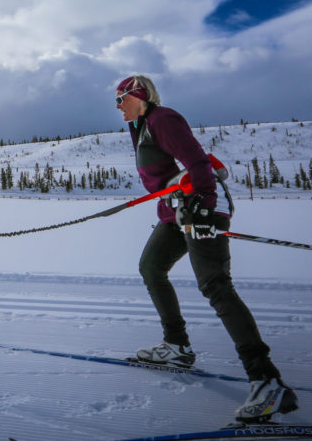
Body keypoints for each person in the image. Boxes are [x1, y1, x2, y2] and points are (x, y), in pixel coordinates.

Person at [115, 74, 298, 423]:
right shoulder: (142, 126)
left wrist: (202, 204)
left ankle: (266, 380)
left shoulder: (163, 118)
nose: (118, 107)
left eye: (120, 99)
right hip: (176, 212)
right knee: (152, 268)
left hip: (200, 209)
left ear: (138, 96)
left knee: (215, 285)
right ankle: (177, 347)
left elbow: (196, 161)